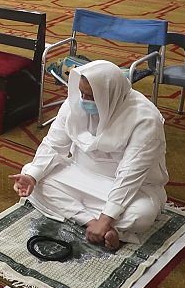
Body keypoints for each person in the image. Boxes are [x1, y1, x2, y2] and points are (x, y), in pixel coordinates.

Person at [10, 61, 168, 251]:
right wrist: (32, 177)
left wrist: (107, 216)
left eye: (91, 96)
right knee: (31, 173)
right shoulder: (75, 102)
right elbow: (54, 144)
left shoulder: (145, 119)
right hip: (81, 175)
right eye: (81, 93)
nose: (83, 100)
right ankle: (95, 224)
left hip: (131, 186)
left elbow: (131, 173)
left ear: (108, 94)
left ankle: (100, 221)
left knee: (142, 214)